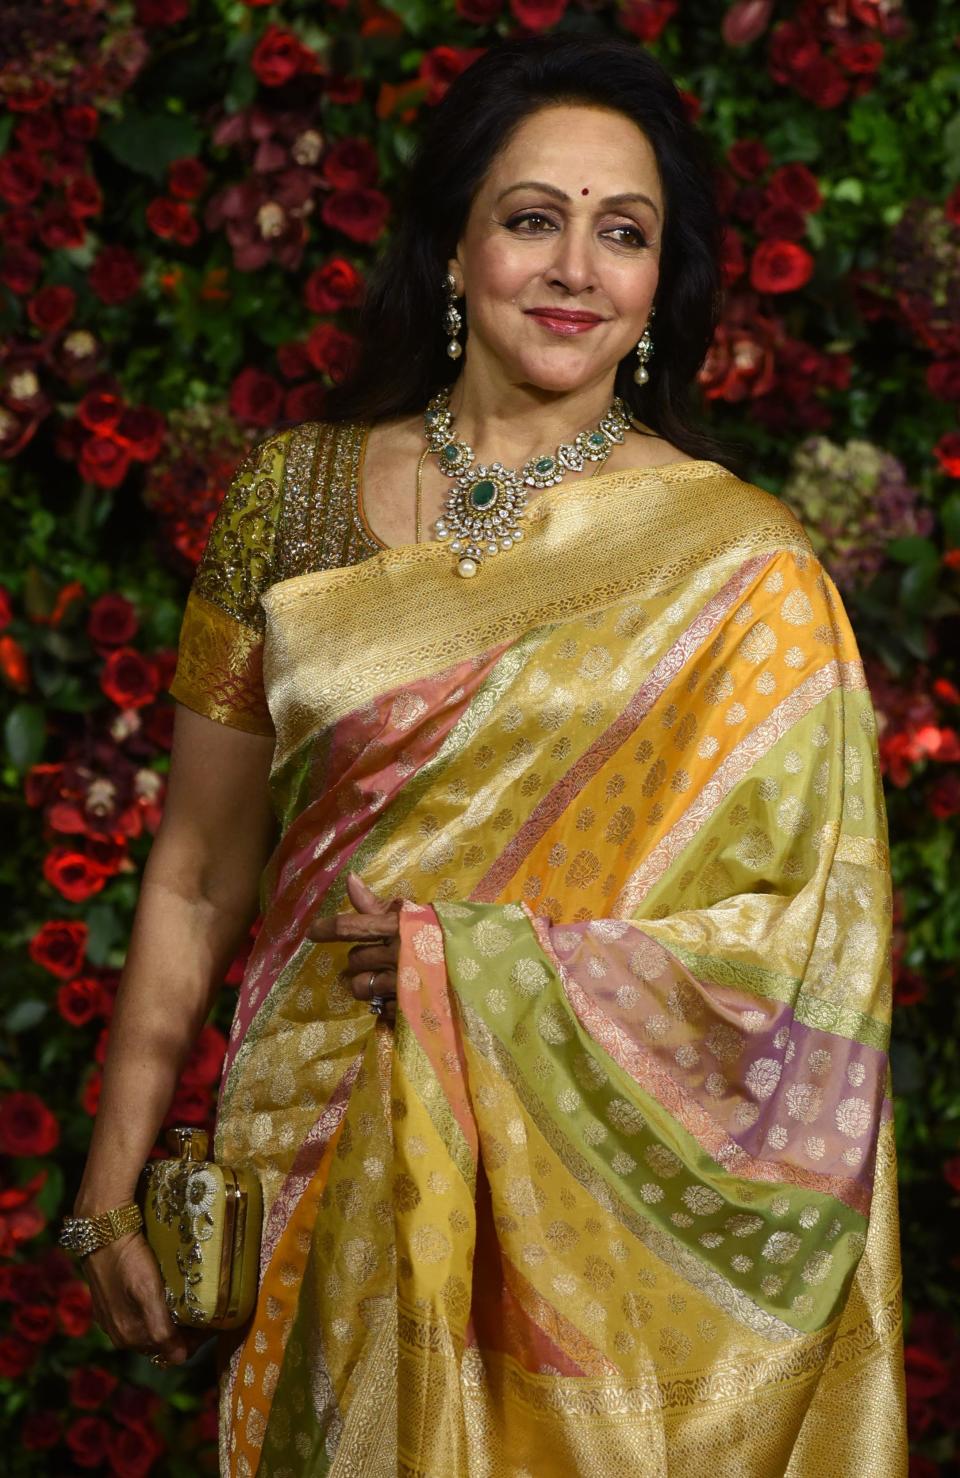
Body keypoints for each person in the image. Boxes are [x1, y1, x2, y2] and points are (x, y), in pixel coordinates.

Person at [64, 34, 907, 1477]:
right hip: (319, 1164)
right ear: (454, 251)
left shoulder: (743, 568)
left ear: (655, 286)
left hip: (597, 1255)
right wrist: (107, 1183)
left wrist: (490, 969)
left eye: (622, 232)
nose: (575, 266)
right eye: (533, 218)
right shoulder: (292, 497)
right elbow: (198, 872)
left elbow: (813, 958)